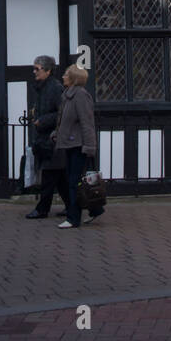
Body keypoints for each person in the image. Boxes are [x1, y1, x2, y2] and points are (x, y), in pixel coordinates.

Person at [51, 65, 102, 229]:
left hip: (79, 145)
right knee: (77, 181)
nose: (63, 76)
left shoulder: (80, 96)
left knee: (74, 181)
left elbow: (87, 123)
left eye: (66, 74)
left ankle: (73, 218)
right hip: (71, 144)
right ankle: (95, 209)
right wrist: (57, 134)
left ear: (73, 78)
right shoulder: (68, 95)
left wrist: (89, 147)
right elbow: (65, 121)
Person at [24, 55, 64, 220]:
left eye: (37, 69)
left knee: (49, 175)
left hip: (52, 139)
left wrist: (42, 121)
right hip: (44, 139)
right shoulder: (42, 87)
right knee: (60, 177)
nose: (34, 72)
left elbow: (62, 113)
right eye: (34, 68)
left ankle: (42, 209)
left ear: (48, 71)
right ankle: (73, 205)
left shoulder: (55, 88)